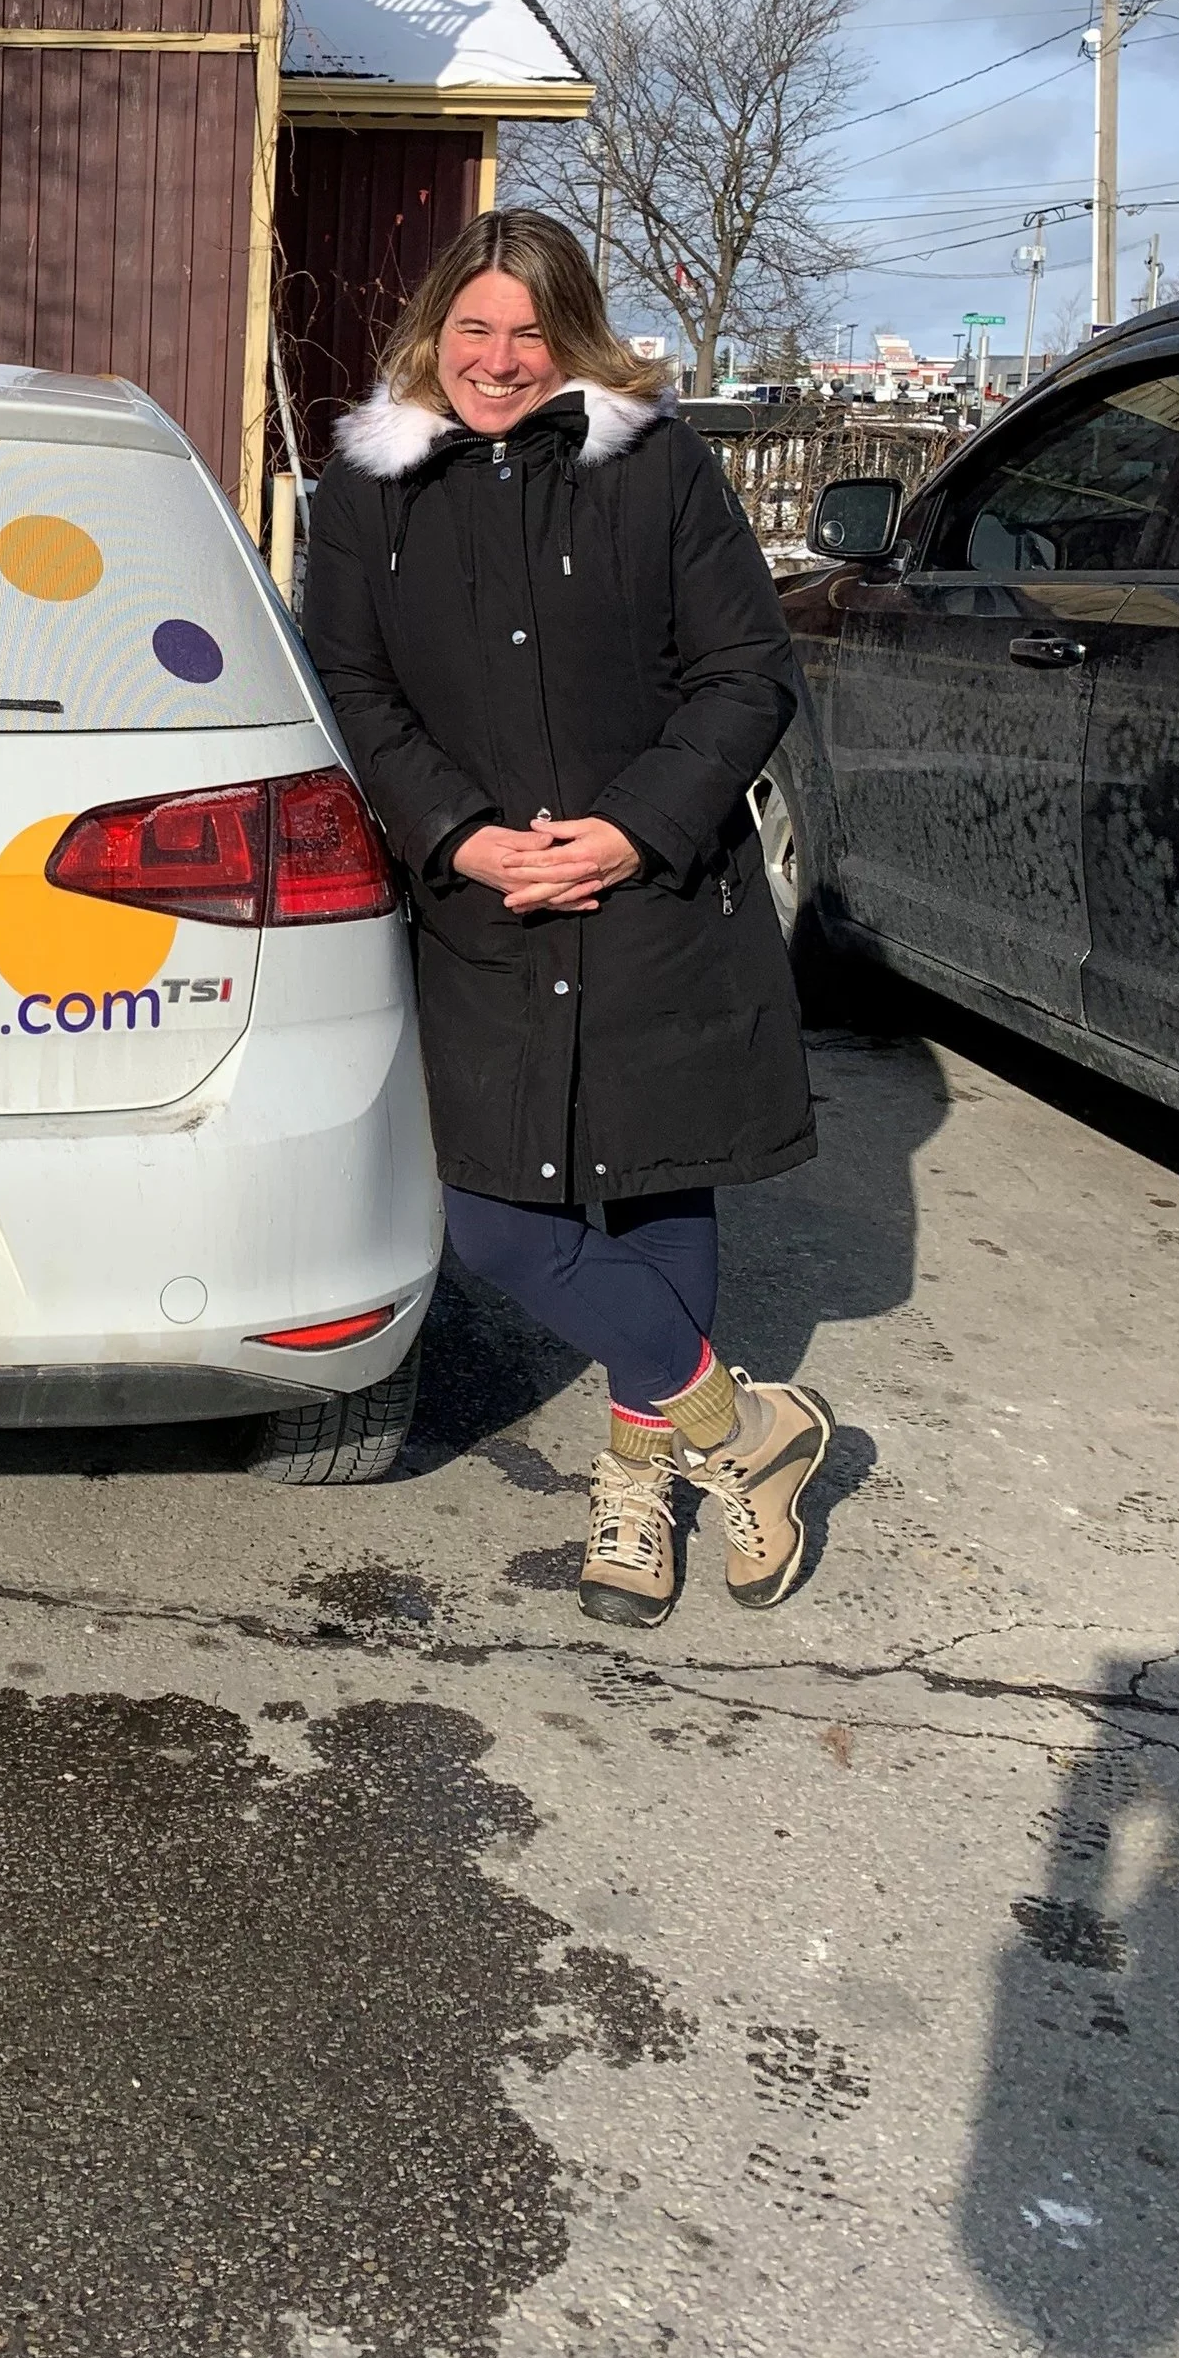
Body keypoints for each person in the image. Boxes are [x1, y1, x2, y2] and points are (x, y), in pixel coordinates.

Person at [303, 210, 833, 1625]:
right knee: (500, 1226)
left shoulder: (655, 468)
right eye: (473, 328)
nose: (497, 358)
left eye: (529, 333)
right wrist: (463, 838)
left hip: (657, 895)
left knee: (661, 1190)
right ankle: (748, 1432)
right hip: (484, 910)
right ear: (431, 333)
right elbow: (353, 688)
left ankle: (640, 1486)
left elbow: (745, 672)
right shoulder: (368, 490)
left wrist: (631, 826)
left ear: (573, 338)